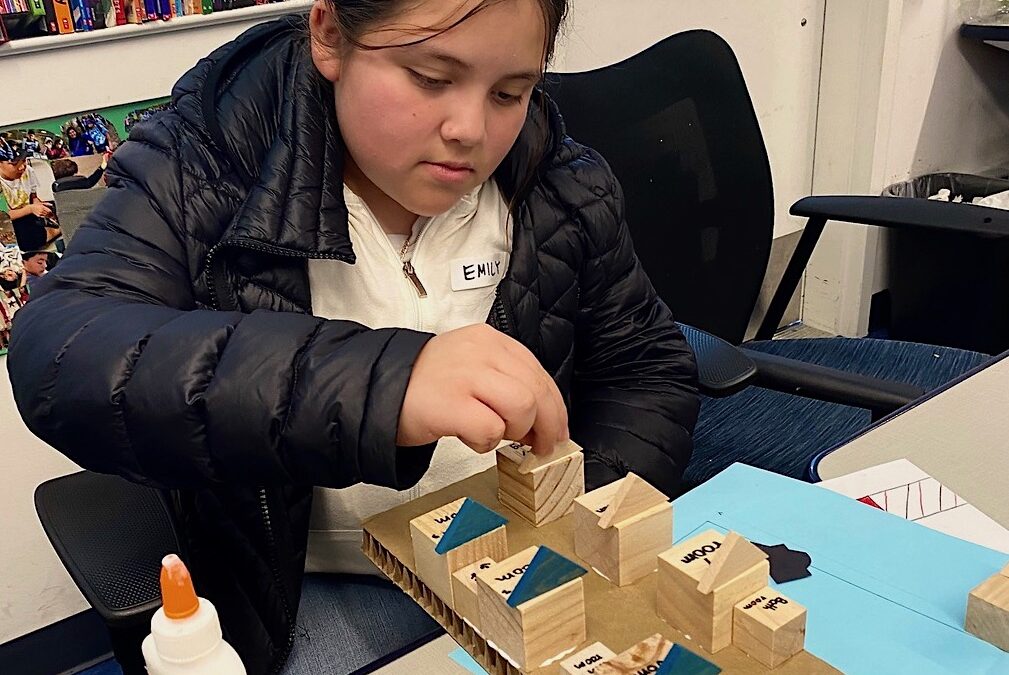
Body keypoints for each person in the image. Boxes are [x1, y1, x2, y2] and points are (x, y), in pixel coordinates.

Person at [8, 2, 699, 674]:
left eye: (510, 92)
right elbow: (62, 350)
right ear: (331, 35)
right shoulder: (202, 159)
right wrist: (383, 382)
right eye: (429, 78)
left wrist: (584, 517)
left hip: (526, 556)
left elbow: (645, 367)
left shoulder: (560, 179)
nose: (469, 129)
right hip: (314, 583)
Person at [0, 149, 60, 252]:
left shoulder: (28, 171)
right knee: (26, 238)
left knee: (56, 207)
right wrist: (30, 209)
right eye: (15, 164)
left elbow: (33, 196)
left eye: (24, 160)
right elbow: (3, 216)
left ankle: (53, 228)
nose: (22, 166)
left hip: (28, 211)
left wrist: (39, 207)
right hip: (8, 221)